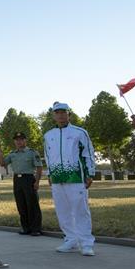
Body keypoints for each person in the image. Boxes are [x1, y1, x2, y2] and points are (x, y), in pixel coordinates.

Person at [44, 102, 97, 256]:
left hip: (76, 177)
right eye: (57, 113)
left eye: (63, 112)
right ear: (53, 116)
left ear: (69, 114)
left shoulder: (80, 132)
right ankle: (70, 239)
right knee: (63, 211)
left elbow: (88, 153)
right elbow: (48, 156)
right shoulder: (48, 135)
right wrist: (49, 174)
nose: (60, 115)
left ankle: (86, 243)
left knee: (81, 211)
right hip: (57, 178)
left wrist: (90, 174)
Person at [0, 132, 43, 236]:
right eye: (17, 140)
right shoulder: (12, 154)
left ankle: (36, 229)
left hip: (28, 179)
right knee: (21, 204)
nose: (19, 142)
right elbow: (3, 163)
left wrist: (37, 181)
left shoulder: (32, 152)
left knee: (32, 204)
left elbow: (39, 167)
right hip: (17, 180)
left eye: (21, 139)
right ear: (14, 141)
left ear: (25, 141)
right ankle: (25, 228)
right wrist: (0, 154)